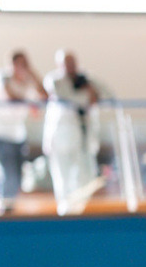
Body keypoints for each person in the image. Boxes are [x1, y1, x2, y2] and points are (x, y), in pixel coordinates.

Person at [0, 51, 48, 213]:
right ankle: (2, 208)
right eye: (18, 64)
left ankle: (9, 207)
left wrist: (33, 75)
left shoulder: (28, 81)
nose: (22, 67)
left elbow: (45, 96)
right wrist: (29, 103)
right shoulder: (1, 77)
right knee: (7, 173)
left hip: (17, 136)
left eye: (25, 64)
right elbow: (11, 97)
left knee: (18, 176)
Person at [43, 50, 102, 215]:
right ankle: (65, 211)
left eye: (72, 62)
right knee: (62, 177)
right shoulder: (55, 80)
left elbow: (96, 98)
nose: (70, 66)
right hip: (60, 137)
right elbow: (69, 98)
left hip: (82, 139)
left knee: (84, 177)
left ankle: (80, 210)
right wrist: (84, 96)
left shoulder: (86, 80)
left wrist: (88, 89)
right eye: (66, 63)